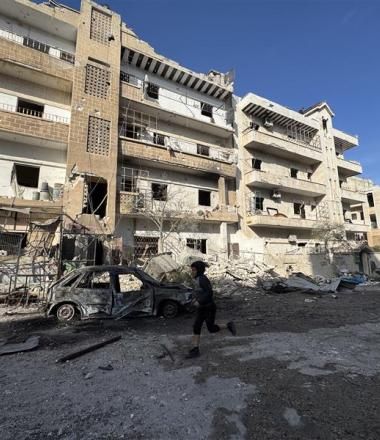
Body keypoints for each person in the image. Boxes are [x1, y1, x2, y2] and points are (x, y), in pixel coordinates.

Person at [186, 260, 236, 358]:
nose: (192, 272)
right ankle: (195, 350)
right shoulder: (197, 279)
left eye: (193, 270)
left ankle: (228, 325)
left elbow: (209, 292)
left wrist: (199, 301)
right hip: (202, 308)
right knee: (196, 326)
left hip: (209, 308)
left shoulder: (202, 279)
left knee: (211, 329)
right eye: (191, 270)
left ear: (199, 270)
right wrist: (193, 299)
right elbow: (199, 292)